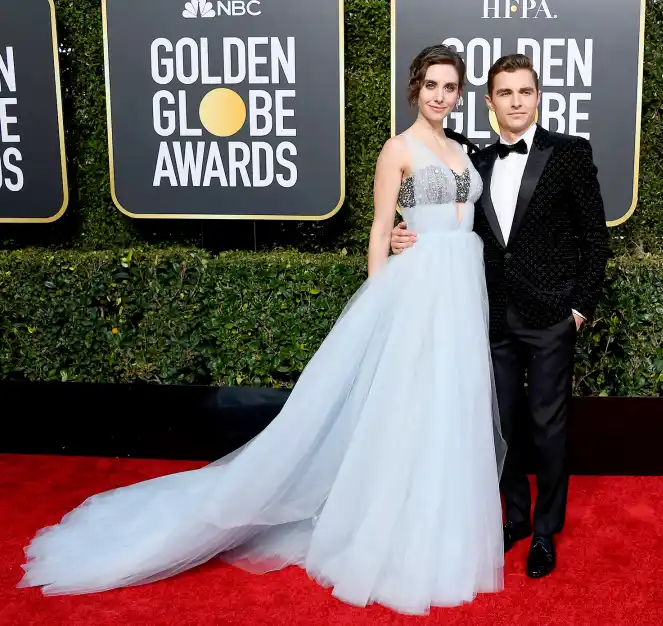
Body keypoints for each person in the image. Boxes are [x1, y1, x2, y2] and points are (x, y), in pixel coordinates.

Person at [17, 45, 505, 616]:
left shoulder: (461, 150)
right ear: (415, 88)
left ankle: (442, 531)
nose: (440, 96)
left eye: (450, 87)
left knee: (447, 408)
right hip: (416, 295)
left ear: (460, 94)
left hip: (460, 293)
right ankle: (386, 533)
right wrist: (380, 303)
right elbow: (380, 230)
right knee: (403, 409)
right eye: (431, 85)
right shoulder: (398, 148)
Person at [391, 54, 611, 579]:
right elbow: (447, 221)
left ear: (538, 97)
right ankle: (514, 517)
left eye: (524, 92)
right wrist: (403, 235)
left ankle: (545, 531)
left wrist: (579, 308)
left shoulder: (570, 153)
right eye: (505, 93)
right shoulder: (476, 161)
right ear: (490, 102)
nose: (516, 102)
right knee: (501, 422)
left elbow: (595, 239)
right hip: (490, 315)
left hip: (552, 315)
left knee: (548, 425)